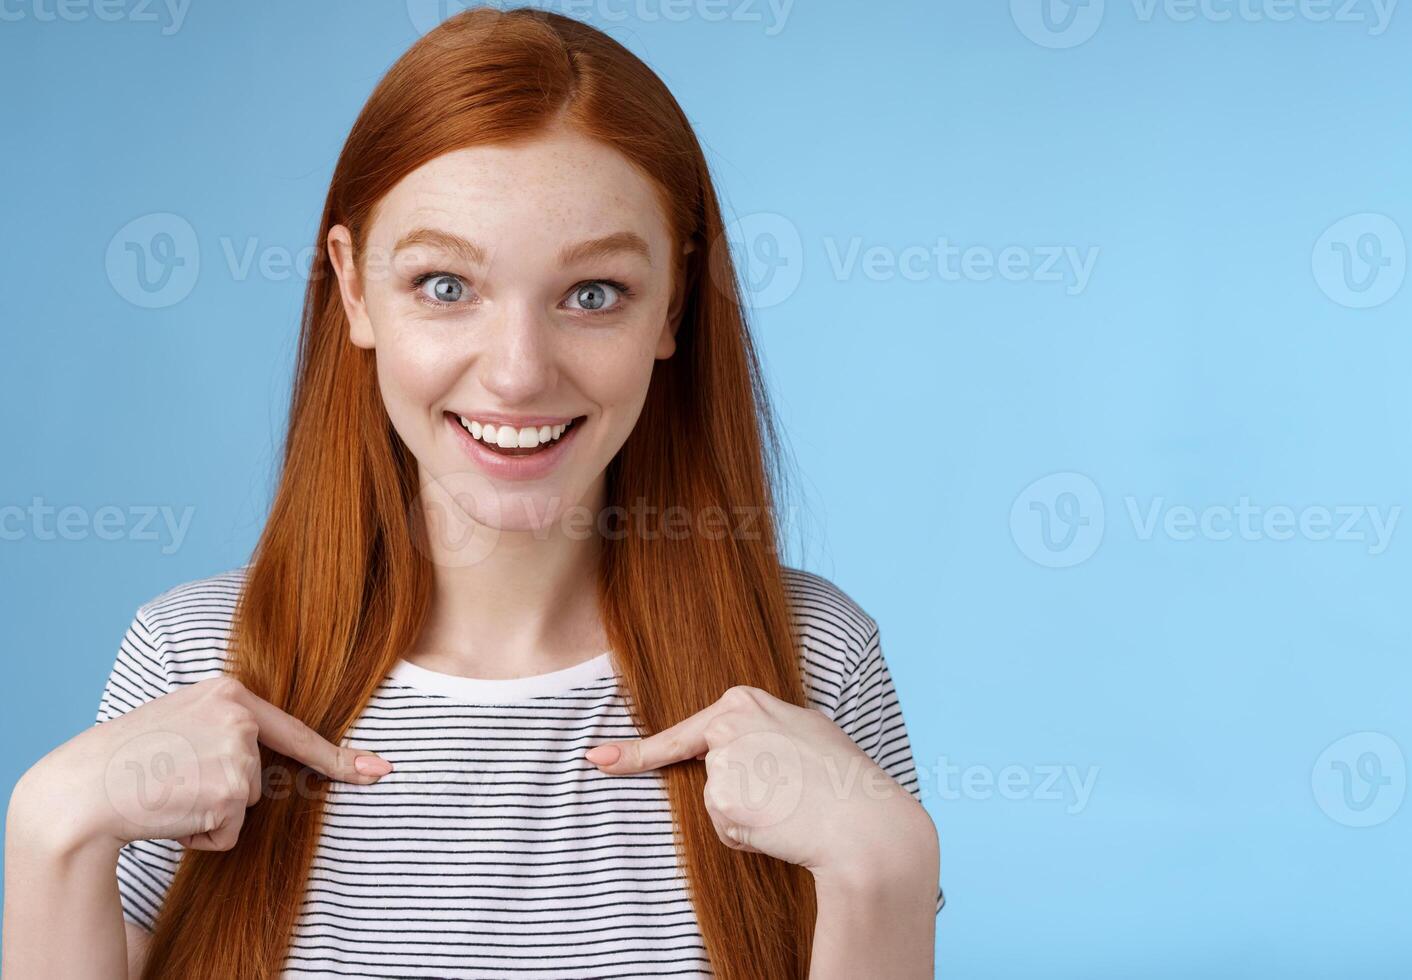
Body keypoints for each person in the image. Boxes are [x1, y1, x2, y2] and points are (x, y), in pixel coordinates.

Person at [1, 8, 940, 978]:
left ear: (672, 305)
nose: (519, 373)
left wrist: (890, 869)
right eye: (446, 285)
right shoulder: (191, 657)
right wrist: (49, 829)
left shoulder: (816, 659)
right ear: (355, 291)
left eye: (594, 292)